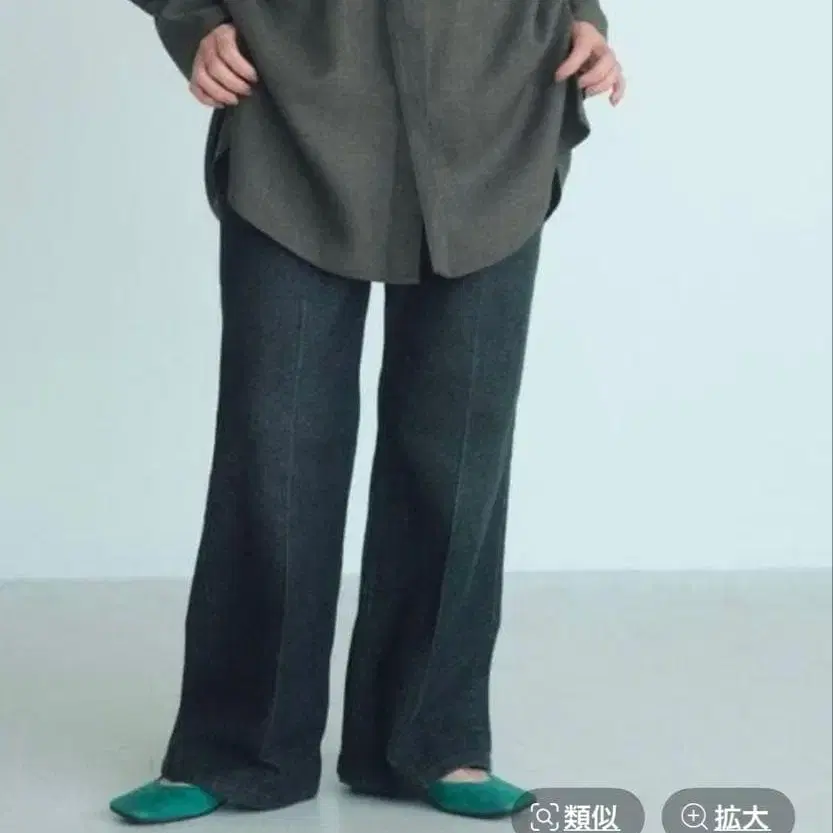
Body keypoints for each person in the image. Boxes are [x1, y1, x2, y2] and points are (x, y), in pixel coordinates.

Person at [110, 0, 625, 824]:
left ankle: (431, 739)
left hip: (495, 106)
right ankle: (239, 746)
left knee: (458, 455)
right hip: (291, 97)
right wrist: (194, 17)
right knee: (274, 449)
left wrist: (583, 16)